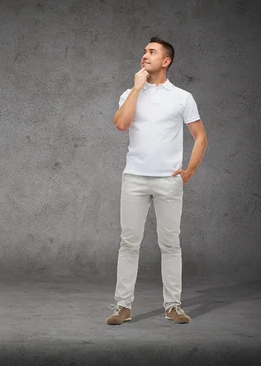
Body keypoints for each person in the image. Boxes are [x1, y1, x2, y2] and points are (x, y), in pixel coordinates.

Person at [106, 37, 208, 325]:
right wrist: (137, 88)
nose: (144, 56)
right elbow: (121, 124)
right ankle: (122, 307)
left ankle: (173, 306)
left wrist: (189, 171)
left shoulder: (182, 97)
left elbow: (200, 137)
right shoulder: (130, 93)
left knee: (170, 244)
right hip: (134, 178)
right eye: (143, 51)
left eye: (151, 52)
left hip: (168, 181)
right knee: (129, 243)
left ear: (166, 61)